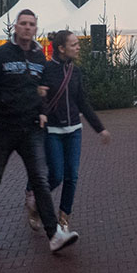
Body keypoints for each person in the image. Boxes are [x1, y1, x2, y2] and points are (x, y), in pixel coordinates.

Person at [0, 9, 78, 253]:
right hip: (2, 127)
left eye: (31, 24)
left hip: (31, 129)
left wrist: (42, 110)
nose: (27, 28)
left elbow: (41, 90)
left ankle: (54, 234)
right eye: (23, 23)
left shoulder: (41, 59)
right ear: (16, 28)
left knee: (40, 180)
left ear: (36, 29)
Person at [28, 29, 110, 232]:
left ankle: (64, 218)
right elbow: (38, 97)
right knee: (56, 174)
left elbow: (82, 102)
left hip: (74, 129)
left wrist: (100, 129)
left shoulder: (76, 72)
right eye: (74, 44)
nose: (78, 47)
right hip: (53, 130)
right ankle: (38, 202)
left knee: (72, 176)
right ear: (61, 48)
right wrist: (40, 108)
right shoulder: (46, 70)